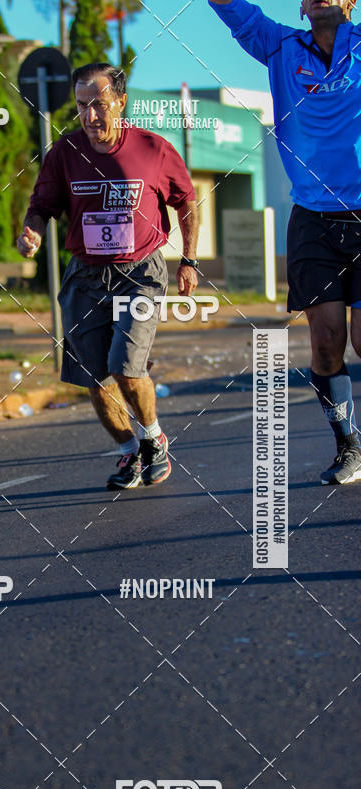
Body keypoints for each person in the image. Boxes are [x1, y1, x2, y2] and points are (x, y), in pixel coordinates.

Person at [17, 62, 200, 490]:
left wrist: (189, 260)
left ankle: (154, 439)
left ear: (120, 102)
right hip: (85, 275)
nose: (90, 116)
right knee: (93, 377)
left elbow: (187, 201)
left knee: (125, 365)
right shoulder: (65, 153)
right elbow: (42, 205)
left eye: (99, 105)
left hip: (139, 272)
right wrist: (33, 232)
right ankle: (129, 450)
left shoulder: (153, 149)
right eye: (82, 106)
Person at [210, 0, 361, 484]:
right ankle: (349, 444)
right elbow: (231, 8)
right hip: (312, 218)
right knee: (326, 342)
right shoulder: (278, 45)